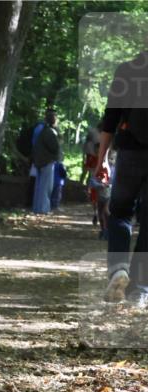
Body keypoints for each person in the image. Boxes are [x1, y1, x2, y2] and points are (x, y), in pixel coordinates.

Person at [97, 49, 148, 307]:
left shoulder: (126, 71)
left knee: (120, 213)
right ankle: (139, 289)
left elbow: (110, 120)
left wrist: (102, 159)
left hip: (130, 154)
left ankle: (118, 269)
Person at [32, 109, 62, 214]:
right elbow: (54, 147)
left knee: (40, 186)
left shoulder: (42, 130)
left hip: (40, 161)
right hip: (47, 161)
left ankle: (38, 208)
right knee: (46, 187)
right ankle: (43, 209)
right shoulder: (49, 132)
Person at [88, 149, 114, 241]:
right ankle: (103, 230)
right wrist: (100, 185)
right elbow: (92, 182)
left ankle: (108, 231)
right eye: (107, 159)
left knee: (105, 212)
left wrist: (110, 185)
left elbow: (117, 182)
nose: (110, 161)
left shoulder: (115, 170)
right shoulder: (98, 169)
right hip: (100, 195)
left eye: (112, 159)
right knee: (100, 215)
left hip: (110, 195)